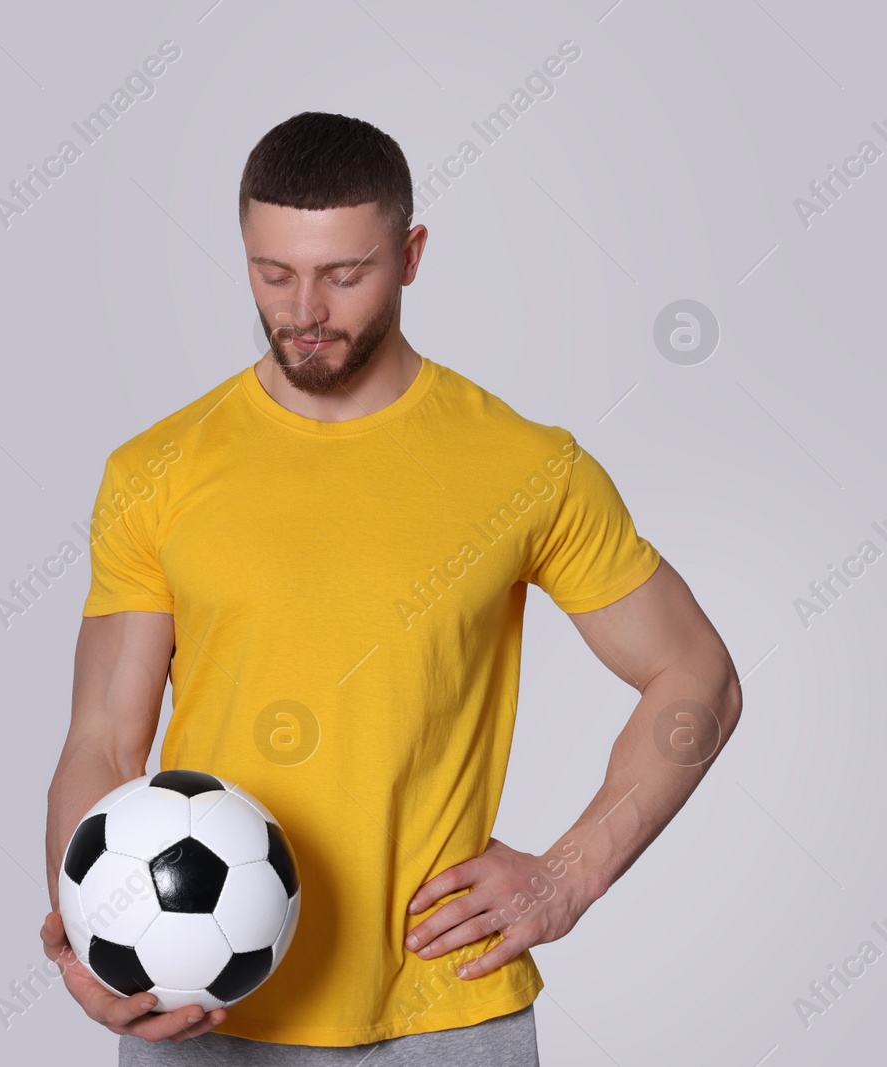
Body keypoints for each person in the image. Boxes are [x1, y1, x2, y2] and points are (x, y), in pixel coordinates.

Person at [38, 111, 742, 1064]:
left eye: (345, 273)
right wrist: (93, 935)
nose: (305, 309)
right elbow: (102, 739)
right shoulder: (154, 471)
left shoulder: (526, 467)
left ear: (410, 256)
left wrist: (570, 875)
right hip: (201, 1009)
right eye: (273, 273)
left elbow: (697, 674)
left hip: (444, 1015)